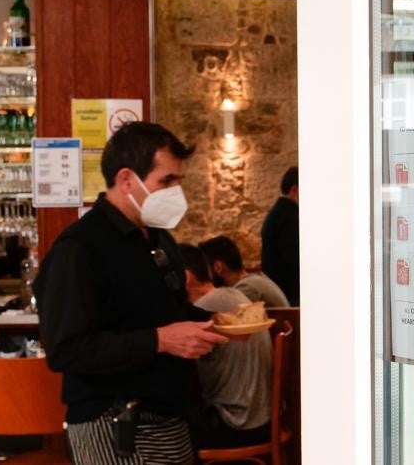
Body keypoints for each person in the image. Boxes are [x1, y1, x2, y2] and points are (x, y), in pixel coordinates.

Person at [34, 122, 228, 464]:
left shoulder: (158, 238)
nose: (176, 192)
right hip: (112, 423)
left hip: (170, 415)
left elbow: (163, 312)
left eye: (178, 181)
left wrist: (214, 323)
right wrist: (160, 340)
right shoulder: (79, 248)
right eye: (166, 181)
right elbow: (66, 350)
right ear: (126, 180)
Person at [177, 244, 272, 450]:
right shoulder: (234, 296)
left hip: (234, 426)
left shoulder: (204, 309)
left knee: (166, 424)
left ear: (185, 277)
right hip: (265, 420)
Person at [199, 235, 290, 308]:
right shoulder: (254, 280)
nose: (204, 274)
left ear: (218, 267)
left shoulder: (246, 288)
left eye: (204, 268)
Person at [260, 167, 300, 304]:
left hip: (278, 288)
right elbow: (292, 260)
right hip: (289, 294)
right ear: (294, 190)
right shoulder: (289, 217)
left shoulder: (279, 212)